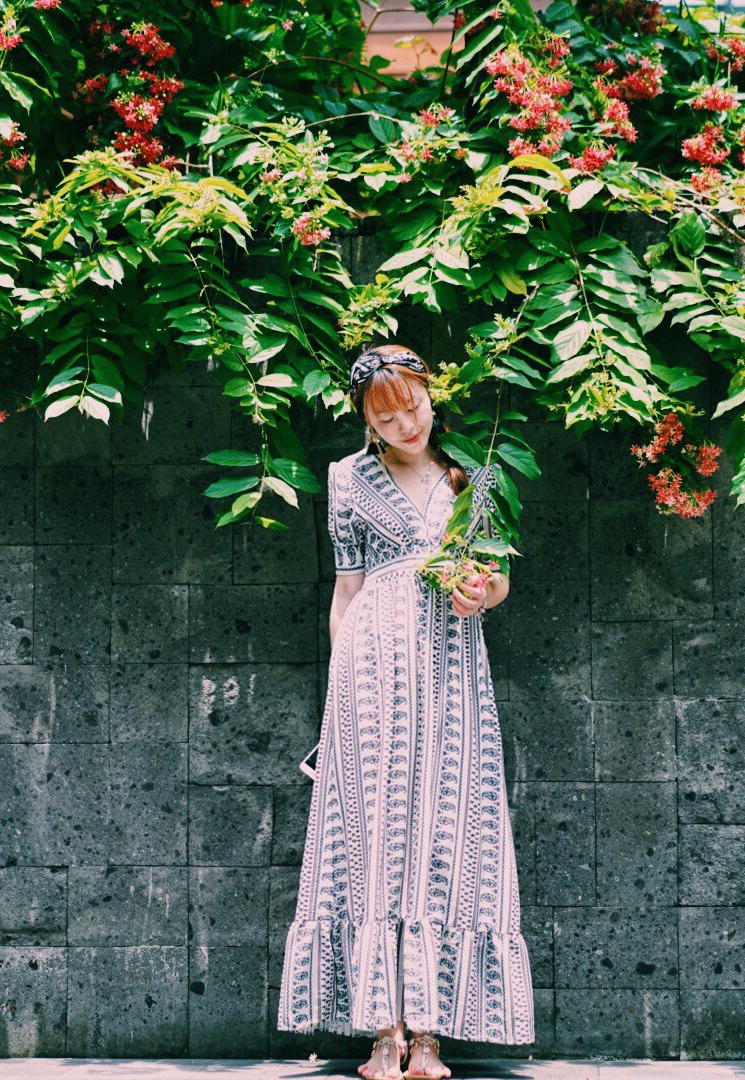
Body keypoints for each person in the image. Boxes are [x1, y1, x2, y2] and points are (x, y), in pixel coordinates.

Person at [277, 344, 534, 1079]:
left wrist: (480, 593)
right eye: (385, 418)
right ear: (366, 420)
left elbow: (500, 579)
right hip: (372, 668)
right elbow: (346, 590)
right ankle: (383, 1033)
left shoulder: (475, 473)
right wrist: (338, 696)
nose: (404, 425)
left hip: (452, 667)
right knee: (376, 834)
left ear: (430, 394)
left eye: (413, 407)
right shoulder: (346, 480)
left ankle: (431, 1036)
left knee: (449, 829)